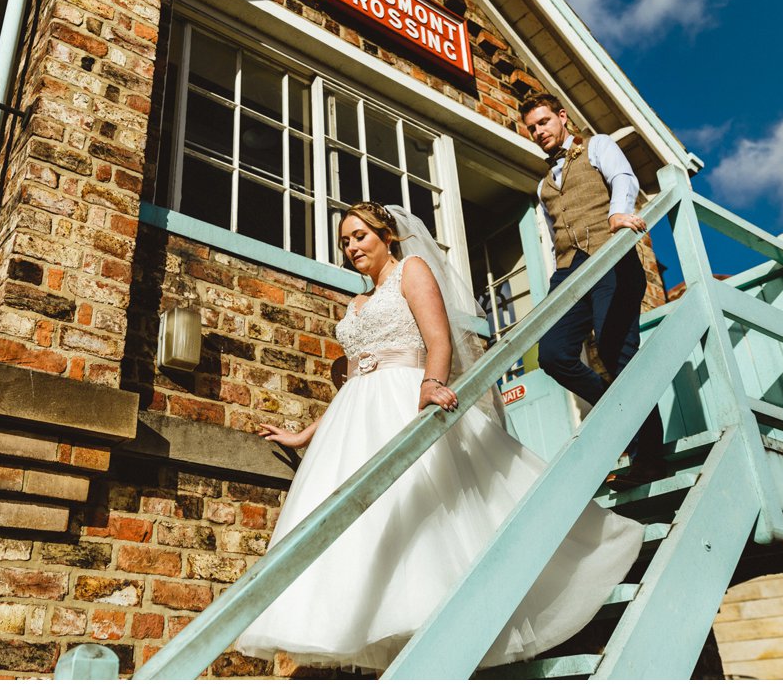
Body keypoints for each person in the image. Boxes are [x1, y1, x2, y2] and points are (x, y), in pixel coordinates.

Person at [235, 202, 642, 671]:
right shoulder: (357, 303)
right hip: (355, 415)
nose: (351, 248)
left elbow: (439, 340)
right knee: (362, 524)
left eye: (360, 236)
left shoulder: (412, 269)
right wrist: (305, 434)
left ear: (386, 234)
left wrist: (431, 383)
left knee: (424, 508)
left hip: (406, 399)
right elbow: (352, 377)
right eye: (345, 241)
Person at [520, 93, 668, 484]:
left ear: (562, 117)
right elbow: (555, 234)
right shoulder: (543, 186)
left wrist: (620, 213)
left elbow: (624, 178)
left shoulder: (598, 146)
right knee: (552, 354)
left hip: (610, 255)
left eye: (544, 122)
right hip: (570, 269)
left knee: (615, 348)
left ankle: (648, 456)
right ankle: (617, 411)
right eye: (533, 127)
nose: (539, 131)